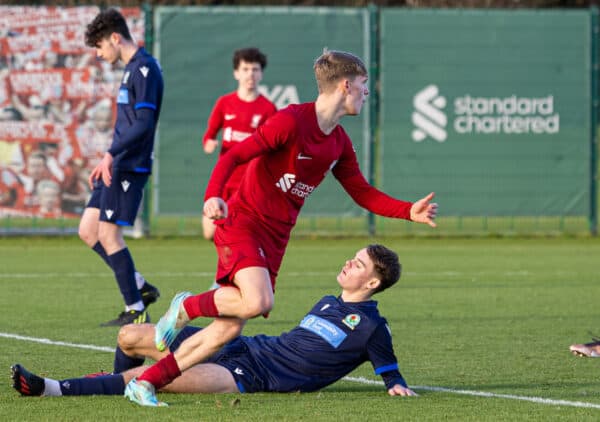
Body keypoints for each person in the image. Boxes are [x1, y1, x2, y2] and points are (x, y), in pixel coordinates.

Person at [124, 49, 437, 406]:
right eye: (364, 85)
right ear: (346, 85)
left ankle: (146, 382)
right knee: (258, 301)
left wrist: (407, 211)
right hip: (244, 223)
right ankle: (187, 306)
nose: (367, 93)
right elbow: (234, 155)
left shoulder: (338, 142)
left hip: (274, 239)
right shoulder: (290, 121)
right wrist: (213, 196)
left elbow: (362, 192)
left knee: (226, 330)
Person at [12, 244, 417, 403]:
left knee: (153, 375)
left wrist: (395, 384)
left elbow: (389, 371)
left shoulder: (372, 327)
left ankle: (50, 389)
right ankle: (114, 385)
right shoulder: (328, 301)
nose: (349, 262)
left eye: (359, 264)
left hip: (249, 376)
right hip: (243, 346)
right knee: (130, 335)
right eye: (354, 256)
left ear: (373, 282)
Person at [78, 8, 163, 326]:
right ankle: (140, 287)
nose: (100, 54)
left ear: (115, 38)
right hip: (116, 162)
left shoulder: (145, 69)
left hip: (129, 165)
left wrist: (111, 154)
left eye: (100, 46)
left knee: (110, 235)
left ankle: (136, 309)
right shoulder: (131, 70)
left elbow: (143, 123)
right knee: (88, 231)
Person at [201, 47, 277, 240]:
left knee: (242, 234)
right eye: (245, 69)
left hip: (250, 184)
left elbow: (274, 145)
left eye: (255, 69)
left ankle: (241, 267)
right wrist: (209, 142)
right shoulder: (224, 103)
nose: (250, 74)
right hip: (224, 180)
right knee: (210, 232)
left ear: (261, 73)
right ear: (236, 73)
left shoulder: (268, 109)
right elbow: (209, 134)